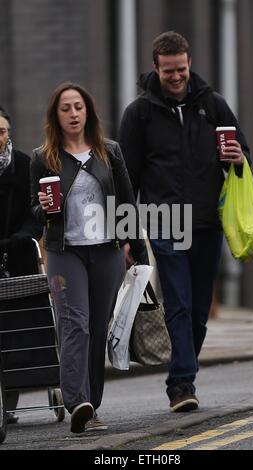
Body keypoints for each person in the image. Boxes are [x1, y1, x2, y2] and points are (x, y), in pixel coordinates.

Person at [119, 31, 250, 412]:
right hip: (166, 220)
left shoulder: (213, 105)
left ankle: (183, 373)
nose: (176, 77)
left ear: (189, 63)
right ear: (155, 68)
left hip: (208, 221)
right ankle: (181, 385)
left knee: (197, 308)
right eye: (168, 72)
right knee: (177, 301)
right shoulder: (138, 114)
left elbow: (243, 151)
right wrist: (126, 234)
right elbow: (128, 178)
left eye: (181, 70)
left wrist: (238, 157)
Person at [30, 82, 147, 433]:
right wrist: (45, 208)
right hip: (64, 252)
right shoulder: (42, 157)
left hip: (107, 251)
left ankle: (90, 407)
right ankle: (76, 399)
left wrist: (135, 250)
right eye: (65, 108)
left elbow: (126, 202)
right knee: (74, 323)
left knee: (96, 328)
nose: (73, 114)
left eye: (78, 107)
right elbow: (32, 213)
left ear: (88, 112)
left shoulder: (109, 152)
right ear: (56, 116)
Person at [0, 106, 43, 423]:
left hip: (18, 255)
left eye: (1, 132)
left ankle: (9, 401)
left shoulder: (25, 165)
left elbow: (35, 211)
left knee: (16, 329)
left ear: (8, 133)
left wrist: (23, 236)